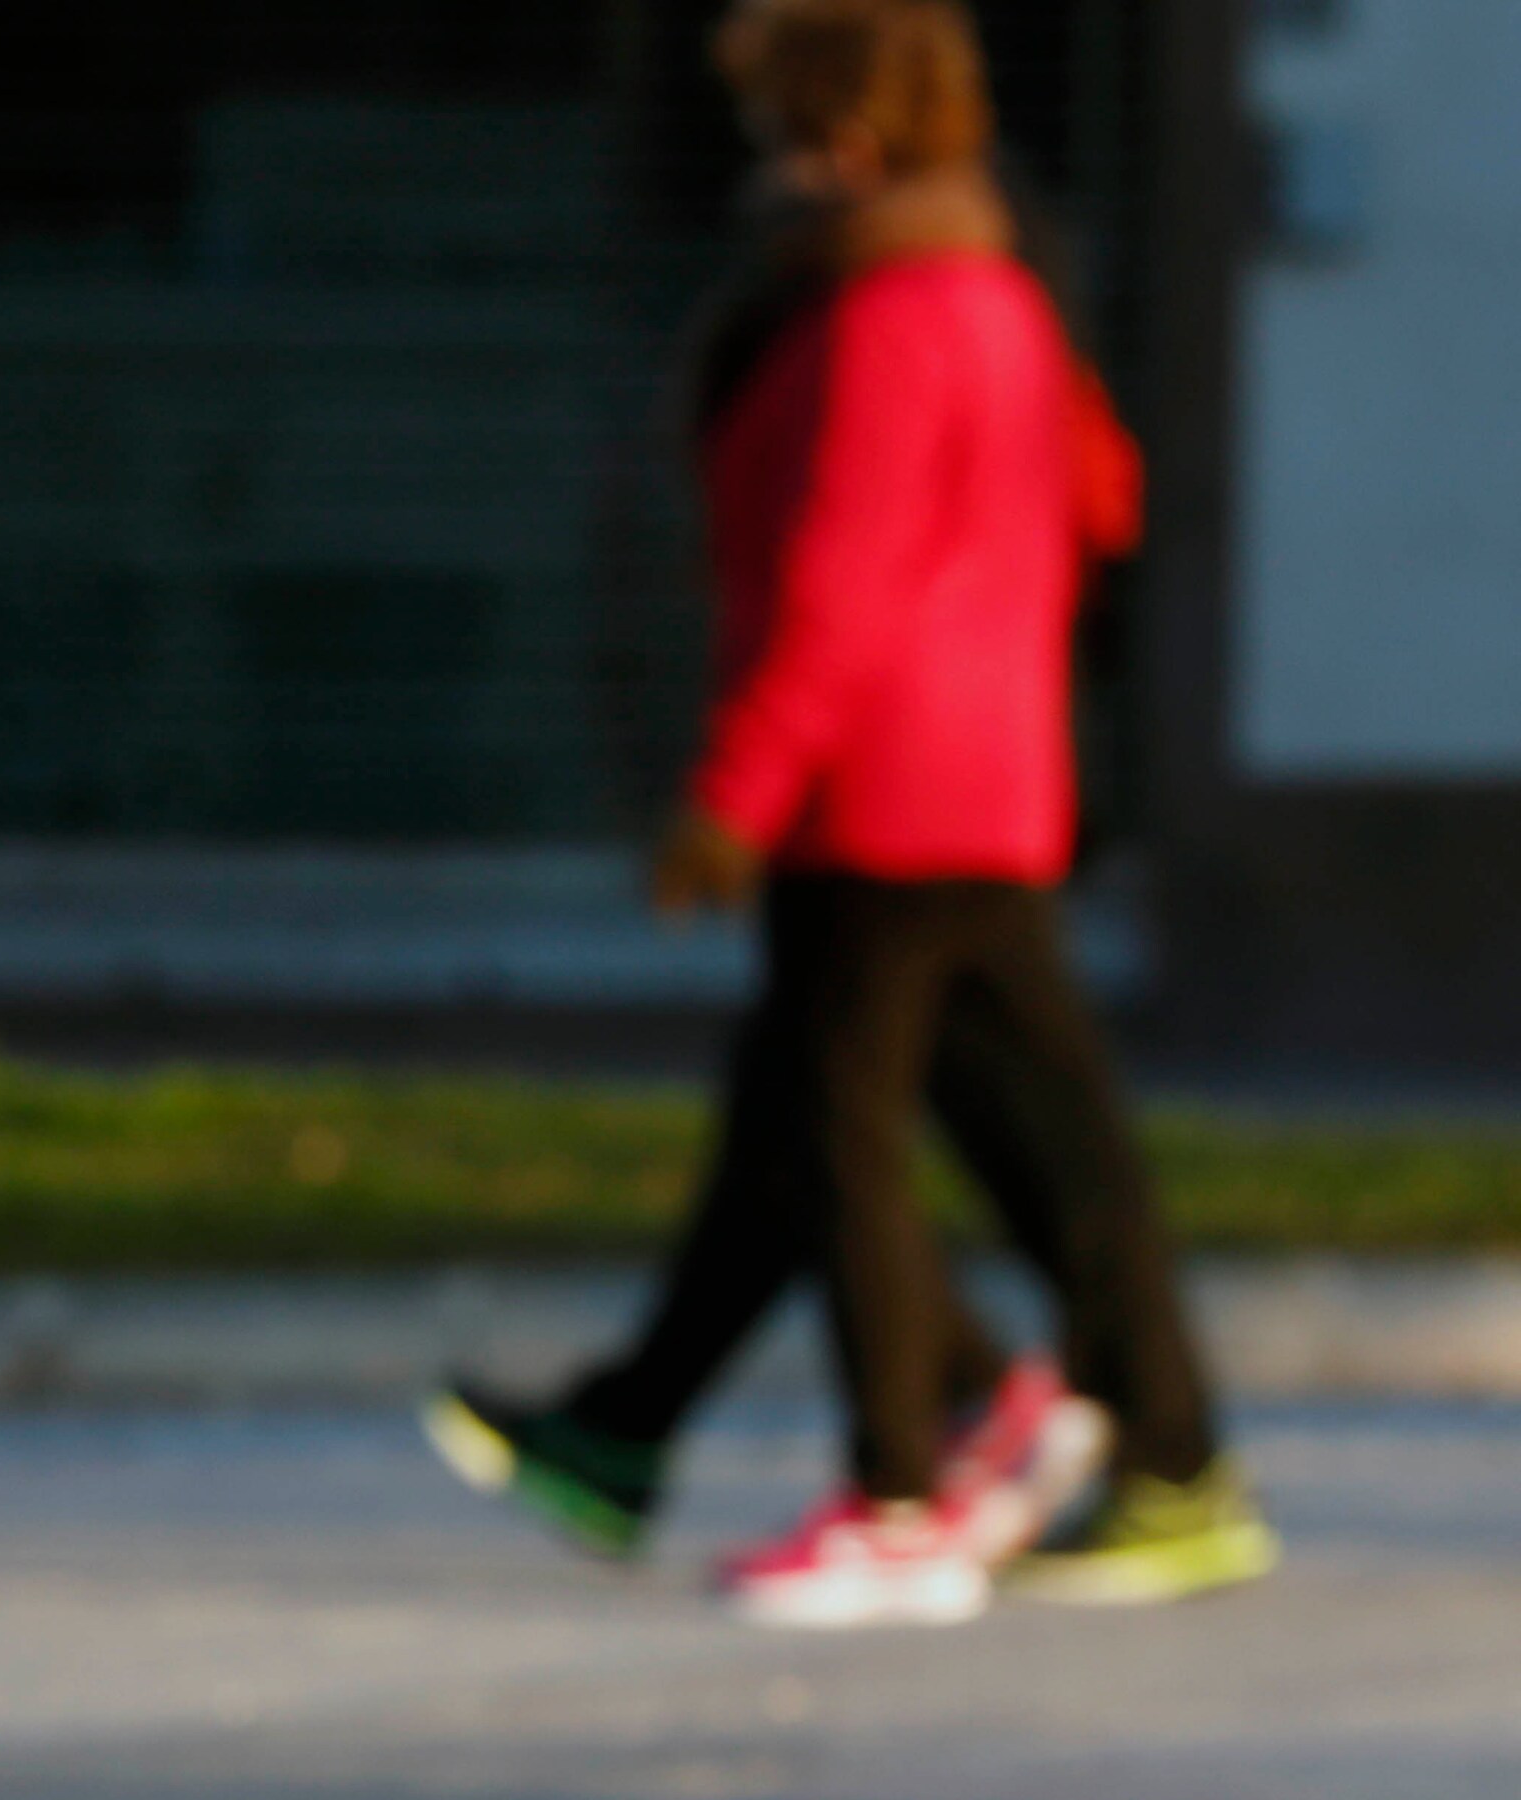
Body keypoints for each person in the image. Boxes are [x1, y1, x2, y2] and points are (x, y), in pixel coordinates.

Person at [424, 0, 1275, 1625]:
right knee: (881, 1135)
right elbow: (1104, 495)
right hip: (986, 780)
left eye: (778, 135)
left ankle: (911, 1479)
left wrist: (732, 795)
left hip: (880, 795)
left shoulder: (888, 311)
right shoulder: (1000, 294)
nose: (765, 172)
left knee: (849, 1144)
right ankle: (653, 1430)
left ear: (847, 142)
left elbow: (842, 585)